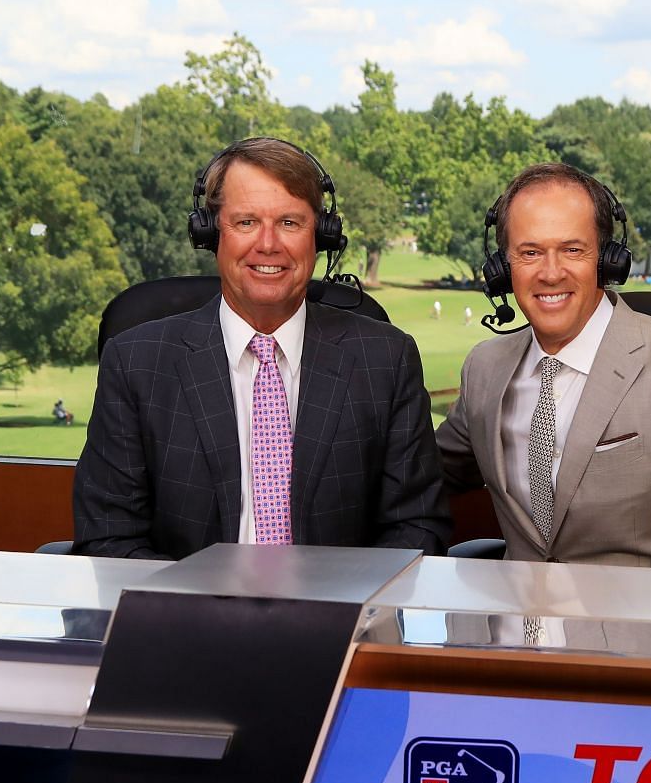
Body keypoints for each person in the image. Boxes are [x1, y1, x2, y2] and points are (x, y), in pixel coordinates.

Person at [72, 137, 448, 560]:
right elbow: (109, 537)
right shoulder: (136, 363)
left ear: (320, 237)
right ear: (211, 233)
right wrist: (201, 614)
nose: (268, 244)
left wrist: (344, 612)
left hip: (337, 616)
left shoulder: (386, 360)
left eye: (289, 222)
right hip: (184, 615)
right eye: (246, 222)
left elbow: (415, 527)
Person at [434, 163, 651, 572]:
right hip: (512, 628)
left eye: (572, 250)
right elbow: (419, 476)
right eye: (530, 252)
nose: (550, 273)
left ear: (607, 259)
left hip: (637, 631)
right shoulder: (484, 368)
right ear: (501, 267)